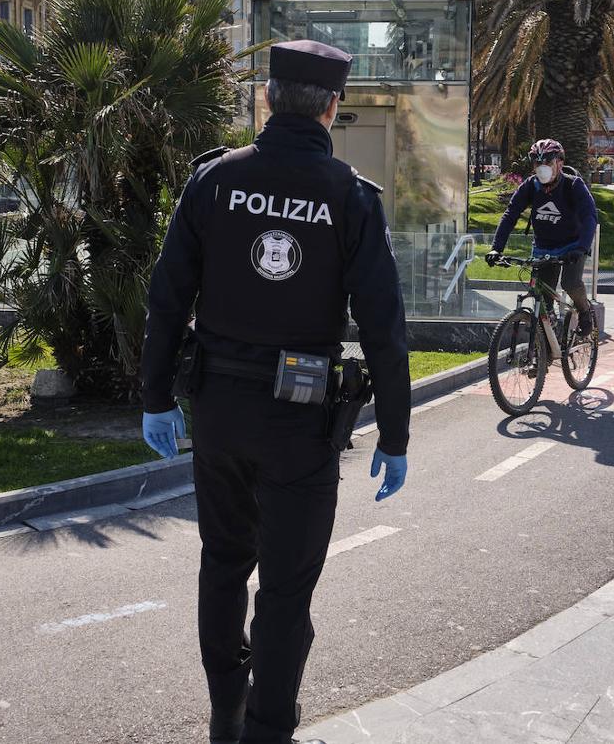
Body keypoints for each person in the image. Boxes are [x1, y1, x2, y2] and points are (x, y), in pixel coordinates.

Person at [138, 40, 411, 744]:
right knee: (286, 592)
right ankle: (266, 732)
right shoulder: (349, 196)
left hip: (220, 413)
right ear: (332, 107)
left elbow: (167, 299)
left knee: (223, 565)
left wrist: (156, 397)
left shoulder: (214, 181)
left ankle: (226, 711)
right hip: (301, 422)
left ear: (267, 99)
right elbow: (383, 326)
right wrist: (395, 436)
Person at [486, 139, 599, 334]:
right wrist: (496, 248)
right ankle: (545, 344)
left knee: (570, 283)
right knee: (543, 301)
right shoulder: (531, 186)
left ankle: (585, 311)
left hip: (572, 245)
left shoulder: (573, 185)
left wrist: (581, 247)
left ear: (559, 163)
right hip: (543, 247)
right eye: (537, 163)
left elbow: (590, 217)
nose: (542, 167)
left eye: (547, 162)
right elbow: (510, 215)